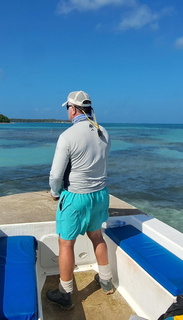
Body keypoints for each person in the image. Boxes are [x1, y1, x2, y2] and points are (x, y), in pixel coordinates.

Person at [46, 90, 114, 310]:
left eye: (67, 108)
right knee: (97, 236)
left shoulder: (68, 135)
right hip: (101, 194)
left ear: (73, 109)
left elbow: (56, 175)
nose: (68, 112)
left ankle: (65, 294)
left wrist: (55, 193)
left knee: (66, 243)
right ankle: (106, 282)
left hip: (76, 196)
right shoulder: (103, 132)